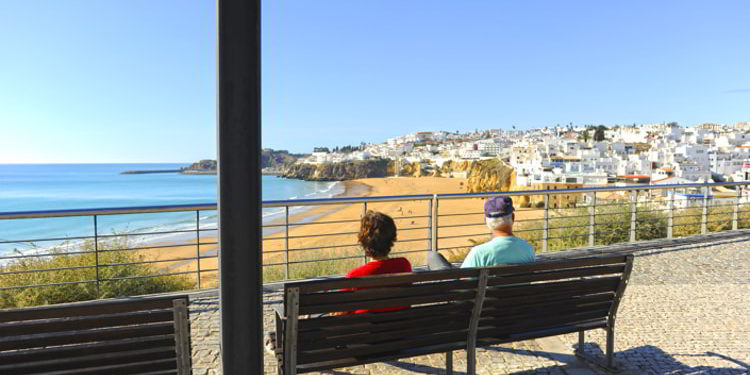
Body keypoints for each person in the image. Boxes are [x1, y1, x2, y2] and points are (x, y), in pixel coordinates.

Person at [427, 196, 535, 270]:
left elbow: (463, 283)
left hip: (483, 303)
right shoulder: (528, 249)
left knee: (433, 257)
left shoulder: (479, 253)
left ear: (486, 222)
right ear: (513, 217)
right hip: (519, 302)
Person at [343, 210, 412, 313]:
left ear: (363, 241)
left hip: (367, 328)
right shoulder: (404, 265)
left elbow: (341, 312)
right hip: (401, 325)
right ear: (392, 238)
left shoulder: (355, 276)